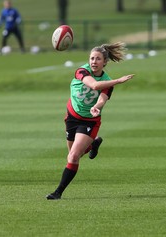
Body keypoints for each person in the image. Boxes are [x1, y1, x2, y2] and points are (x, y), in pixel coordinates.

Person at [46, 42, 134, 200]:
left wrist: (97, 107)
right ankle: (93, 144)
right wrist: (118, 81)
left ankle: (58, 192)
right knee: (72, 156)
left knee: (73, 156)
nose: (94, 61)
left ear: (104, 62)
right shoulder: (81, 71)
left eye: (98, 59)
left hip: (89, 122)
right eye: (92, 58)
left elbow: (102, 99)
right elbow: (93, 85)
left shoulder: (107, 82)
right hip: (72, 117)